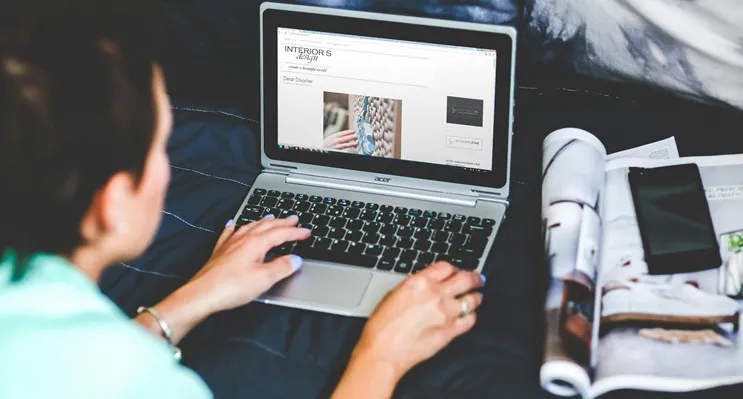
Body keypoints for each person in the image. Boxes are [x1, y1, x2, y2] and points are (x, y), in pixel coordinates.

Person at [0, 1, 485, 398]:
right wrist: (381, 354)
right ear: (112, 203)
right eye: (161, 146)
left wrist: (192, 299)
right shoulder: (150, 385)